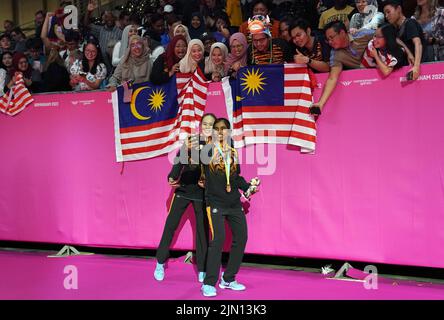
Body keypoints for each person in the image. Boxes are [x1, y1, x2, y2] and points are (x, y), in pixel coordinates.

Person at [200, 118, 260, 297]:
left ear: (228, 132)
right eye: (216, 129)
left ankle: (228, 279)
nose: (220, 132)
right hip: (216, 203)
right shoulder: (206, 151)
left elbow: (235, 178)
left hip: (234, 203)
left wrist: (248, 186)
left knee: (241, 238)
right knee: (218, 240)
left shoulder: (233, 153)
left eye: (223, 129)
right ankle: (209, 283)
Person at [154, 113, 217, 283]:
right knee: (170, 226)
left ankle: (202, 269)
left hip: (202, 195)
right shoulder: (191, 141)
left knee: (202, 233)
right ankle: (160, 262)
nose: (207, 127)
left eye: (211, 124)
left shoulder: (216, 146)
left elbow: (214, 172)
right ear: (200, 125)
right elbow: (177, 166)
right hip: (183, 191)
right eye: (205, 124)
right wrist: (172, 177)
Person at [311, 20, 373, 116]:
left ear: (342, 33)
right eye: (328, 39)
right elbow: (332, 78)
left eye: (332, 37)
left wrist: (406, 52)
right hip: (364, 90)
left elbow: (388, 36)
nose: (330, 42)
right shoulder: (335, 55)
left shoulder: (363, 34)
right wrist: (320, 103)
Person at [383, 0, 430, 80]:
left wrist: (416, 67)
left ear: (398, 9)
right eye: (385, 14)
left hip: (423, 70)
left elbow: (418, 43)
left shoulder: (410, 23)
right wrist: (407, 51)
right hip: (406, 72)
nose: (386, 16)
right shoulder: (394, 29)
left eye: (388, 12)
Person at [84, 0, 123, 73]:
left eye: (111, 17)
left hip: (117, 68)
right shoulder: (100, 30)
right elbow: (86, 24)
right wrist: (88, 12)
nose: (109, 19)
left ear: (114, 18)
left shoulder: (120, 32)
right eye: (106, 17)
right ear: (104, 19)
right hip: (103, 67)